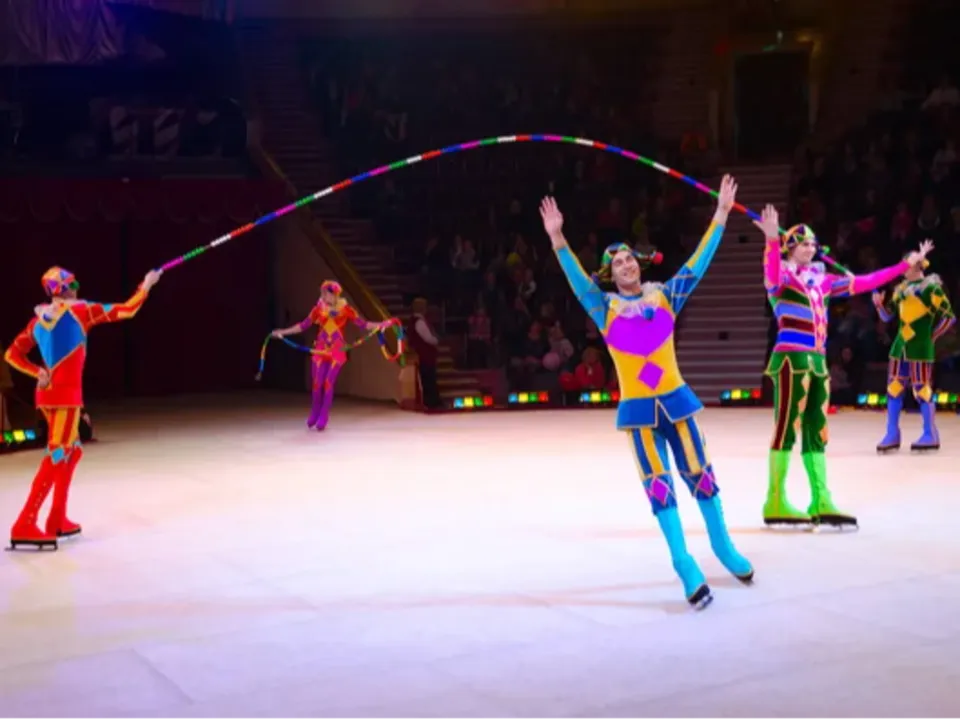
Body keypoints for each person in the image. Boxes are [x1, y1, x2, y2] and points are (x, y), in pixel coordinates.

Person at [541, 175, 752, 610]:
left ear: (639, 264)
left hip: (677, 404)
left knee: (703, 477)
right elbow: (577, 281)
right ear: (610, 274)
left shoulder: (666, 297)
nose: (625, 265)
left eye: (629, 259)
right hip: (639, 415)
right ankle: (684, 565)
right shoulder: (604, 308)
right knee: (660, 488)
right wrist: (558, 239)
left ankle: (723, 547)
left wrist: (720, 215)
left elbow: (697, 263)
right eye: (617, 263)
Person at [756, 205, 932, 529]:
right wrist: (770, 240)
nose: (811, 248)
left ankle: (821, 498)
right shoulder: (782, 278)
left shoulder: (822, 282)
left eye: (813, 244)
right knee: (786, 427)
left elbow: (865, 282)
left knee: (816, 430)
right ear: (790, 247)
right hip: (792, 359)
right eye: (804, 243)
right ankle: (775, 498)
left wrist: (902, 267)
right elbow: (770, 272)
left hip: (817, 361)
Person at [4, 266, 162, 550]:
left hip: (49, 396)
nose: (77, 288)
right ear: (64, 289)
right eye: (73, 284)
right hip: (64, 397)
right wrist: (147, 285)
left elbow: (12, 354)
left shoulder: (38, 319)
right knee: (57, 453)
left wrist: (37, 372)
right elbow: (127, 310)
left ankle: (56, 517)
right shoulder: (81, 311)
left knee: (72, 450)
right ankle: (25, 522)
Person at [272, 280, 385, 430]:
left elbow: (363, 324)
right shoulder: (318, 309)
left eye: (326, 293)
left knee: (328, 382)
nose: (323, 296)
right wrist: (283, 332)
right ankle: (315, 411)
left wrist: (381, 325)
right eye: (323, 293)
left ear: (335, 295)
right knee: (317, 382)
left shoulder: (346, 310)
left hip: (336, 351)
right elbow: (303, 325)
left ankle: (324, 415)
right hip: (320, 350)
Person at [873, 256, 955, 452]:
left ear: (918, 266)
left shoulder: (931, 288)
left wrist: (932, 337)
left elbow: (949, 317)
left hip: (920, 348)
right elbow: (887, 316)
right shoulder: (900, 289)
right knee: (893, 389)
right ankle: (892, 433)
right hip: (899, 347)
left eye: (907, 265)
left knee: (922, 390)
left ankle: (930, 433)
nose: (903, 269)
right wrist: (879, 305)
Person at [406, 297, 441, 410]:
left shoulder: (415, 321)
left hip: (422, 354)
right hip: (424, 355)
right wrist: (436, 340)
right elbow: (427, 338)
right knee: (429, 378)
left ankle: (432, 401)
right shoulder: (419, 322)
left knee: (428, 378)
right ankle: (432, 402)